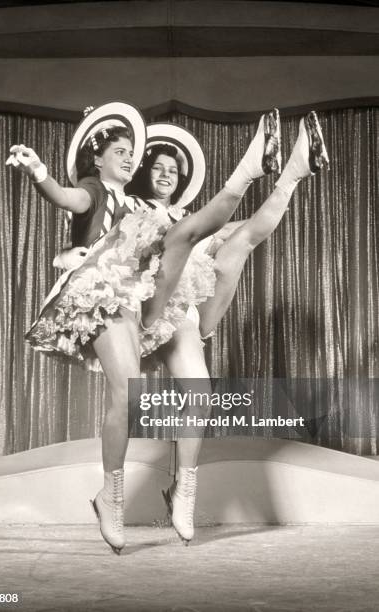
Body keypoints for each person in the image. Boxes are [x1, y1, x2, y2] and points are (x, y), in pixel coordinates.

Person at [7, 101, 281, 554]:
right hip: (101, 291)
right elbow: (65, 198)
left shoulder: (139, 205)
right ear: (97, 159)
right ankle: (110, 496)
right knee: (125, 392)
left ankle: (252, 170)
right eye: (119, 150)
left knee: (162, 384)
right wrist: (38, 171)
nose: (129, 157)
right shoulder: (93, 189)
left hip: (137, 294)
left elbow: (191, 234)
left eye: (131, 152)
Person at [127, 110, 329, 544]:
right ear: (145, 175)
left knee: (243, 241)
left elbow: (253, 228)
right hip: (152, 308)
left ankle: (294, 172)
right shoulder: (135, 209)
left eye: (172, 171)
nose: (165, 175)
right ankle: (254, 167)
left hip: (189, 314)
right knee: (217, 234)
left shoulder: (184, 216)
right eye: (158, 168)